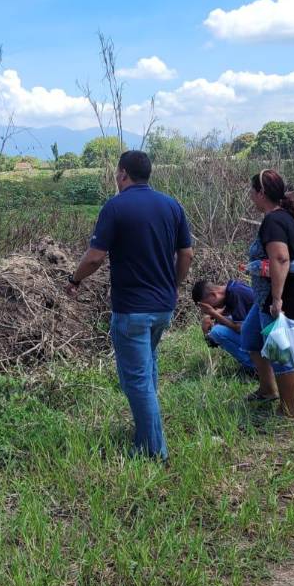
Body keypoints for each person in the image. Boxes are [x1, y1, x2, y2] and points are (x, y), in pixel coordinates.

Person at [66, 150, 193, 460]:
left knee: (135, 380)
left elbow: (95, 256)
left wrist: (74, 280)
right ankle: (145, 435)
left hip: (132, 309)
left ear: (123, 174)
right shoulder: (171, 205)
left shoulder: (115, 207)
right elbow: (186, 254)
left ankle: (154, 450)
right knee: (146, 370)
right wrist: (174, 286)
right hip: (163, 306)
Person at [243, 169, 294, 421]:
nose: (250, 195)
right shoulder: (285, 217)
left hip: (284, 298)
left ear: (261, 194)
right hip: (266, 297)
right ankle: (267, 389)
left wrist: (277, 299)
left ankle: (289, 414)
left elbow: (281, 258)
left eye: (252, 191)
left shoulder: (274, 220)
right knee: (251, 336)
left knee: (282, 354)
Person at [191, 277, 255, 375]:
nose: (211, 308)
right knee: (219, 325)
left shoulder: (235, 294)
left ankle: (254, 367)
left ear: (213, 295)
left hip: (265, 336)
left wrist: (213, 313)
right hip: (261, 333)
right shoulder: (232, 289)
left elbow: (240, 328)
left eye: (208, 305)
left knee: (217, 332)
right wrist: (208, 319)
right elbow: (212, 344)